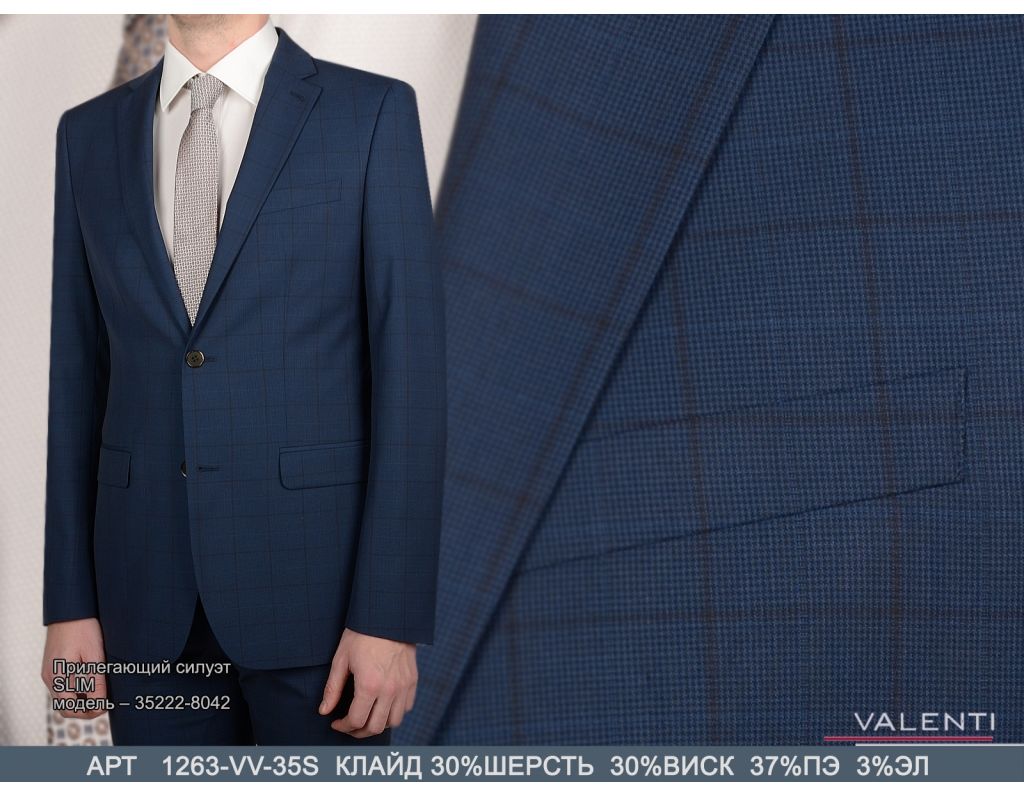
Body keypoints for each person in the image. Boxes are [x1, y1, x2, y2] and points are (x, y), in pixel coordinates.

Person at [40, 13, 445, 745]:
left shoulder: (370, 113)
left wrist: (390, 616)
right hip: (142, 606)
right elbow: (75, 382)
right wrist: (68, 606)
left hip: (320, 607)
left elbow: (410, 381)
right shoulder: (87, 134)